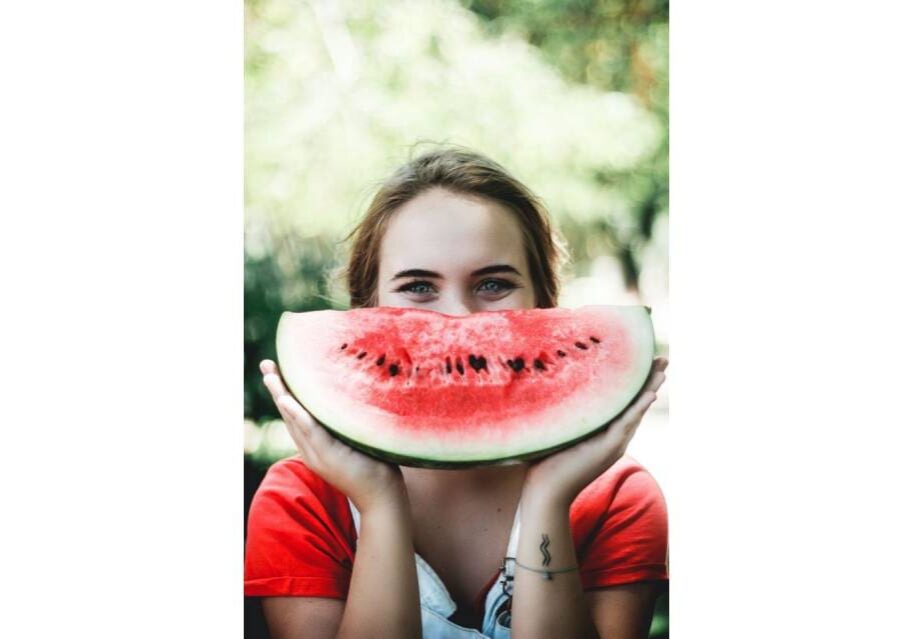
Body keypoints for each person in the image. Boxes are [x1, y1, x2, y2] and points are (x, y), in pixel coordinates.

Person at [245, 146, 669, 639]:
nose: (459, 321)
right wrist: (379, 504)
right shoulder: (304, 500)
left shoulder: (616, 498)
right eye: (419, 287)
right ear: (366, 309)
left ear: (544, 304)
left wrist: (549, 498)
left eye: (493, 284)